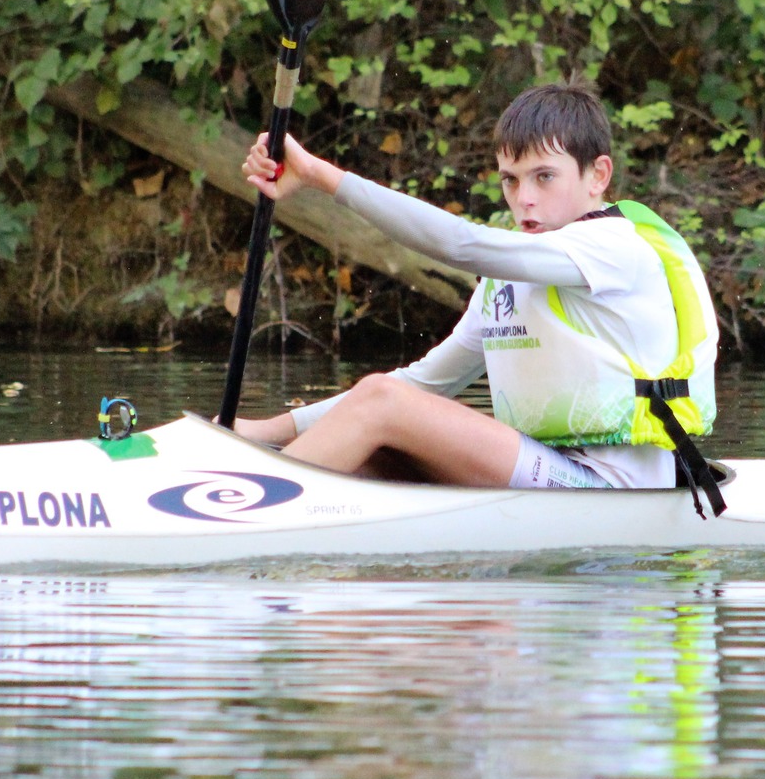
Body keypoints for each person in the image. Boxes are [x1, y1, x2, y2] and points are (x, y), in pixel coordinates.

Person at [232, 83, 723, 505]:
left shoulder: (614, 246)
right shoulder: (510, 277)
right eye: (511, 180)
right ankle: (252, 492)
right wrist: (261, 431)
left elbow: (459, 244)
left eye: (544, 177)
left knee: (383, 400)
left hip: (614, 492)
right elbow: (424, 384)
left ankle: (245, 511)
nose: (524, 198)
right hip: (551, 476)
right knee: (374, 440)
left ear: (598, 175)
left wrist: (322, 176)